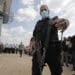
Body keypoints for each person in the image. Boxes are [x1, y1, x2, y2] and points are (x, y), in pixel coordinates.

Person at [30, 5, 69, 75]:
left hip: (52, 50)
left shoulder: (54, 20)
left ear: (48, 11)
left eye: (45, 9)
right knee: (35, 72)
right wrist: (32, 42)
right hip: (39, 51)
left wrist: (65, 22)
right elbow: (34, 35)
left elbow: (64, 21)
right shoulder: (38, 24)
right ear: (40, 13)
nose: (43, 11)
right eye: (41, 10)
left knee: (57, 72)